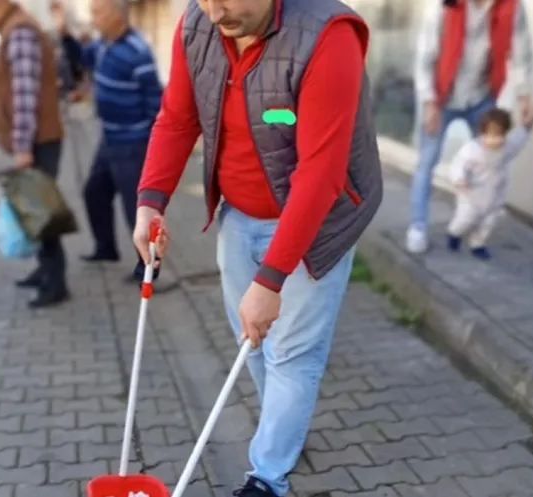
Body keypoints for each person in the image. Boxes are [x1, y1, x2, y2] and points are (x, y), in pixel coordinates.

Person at [132, 0, 382, 495]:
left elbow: (320, 173)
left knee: (291, 353)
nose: (215, 9)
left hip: (318, 223)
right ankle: (283, 428)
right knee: (251, 339)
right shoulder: (197, 24)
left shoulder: (330, 35)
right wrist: (151, 201)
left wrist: (271, 280)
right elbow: (178, 118)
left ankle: (267, 477)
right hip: (239, 214)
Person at [406, 0, 533, 254]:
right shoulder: (443, 6)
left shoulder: (511, 7)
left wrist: (525, 96)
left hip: (481, 96)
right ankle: (417, 227)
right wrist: (429, 101)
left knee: (491, 160)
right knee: (427, 161)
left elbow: (522, 54)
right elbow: (425, 58)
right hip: (441, 96)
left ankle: (473, 223)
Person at [0, 0, 68, 308]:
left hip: (37, 140)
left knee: (41, 212)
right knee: (35, 209)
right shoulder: (17, 27)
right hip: (37, 139)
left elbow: (25, 95)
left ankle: (55, 284)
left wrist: (23, 145)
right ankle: (45, 270)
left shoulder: (21, 31)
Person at [79, 0, 163, 284]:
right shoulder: (103, 44)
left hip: (132, 140)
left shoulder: (137, 51)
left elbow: (155, 99)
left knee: (135, 208)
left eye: (98, 12)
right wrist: (65, 34)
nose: (93, 19)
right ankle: (106, 248)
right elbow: (82, 59)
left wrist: (154, 145)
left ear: (118, 15)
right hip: (109, 135)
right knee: (94, 191)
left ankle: (149, 267)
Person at [447, 108, 531, 259]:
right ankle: (455, 233)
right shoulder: (472, 149)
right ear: (482, 132)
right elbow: (458, 164)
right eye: (489, 135)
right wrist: (459, 178)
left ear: (505, 134)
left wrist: (526, 127)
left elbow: (518, 140)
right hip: (471, 193)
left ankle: (478, 244)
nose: (493, 140)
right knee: (466, 219)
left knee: (488, 223)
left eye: (498, 136)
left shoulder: (507, 147)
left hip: (494, 193)